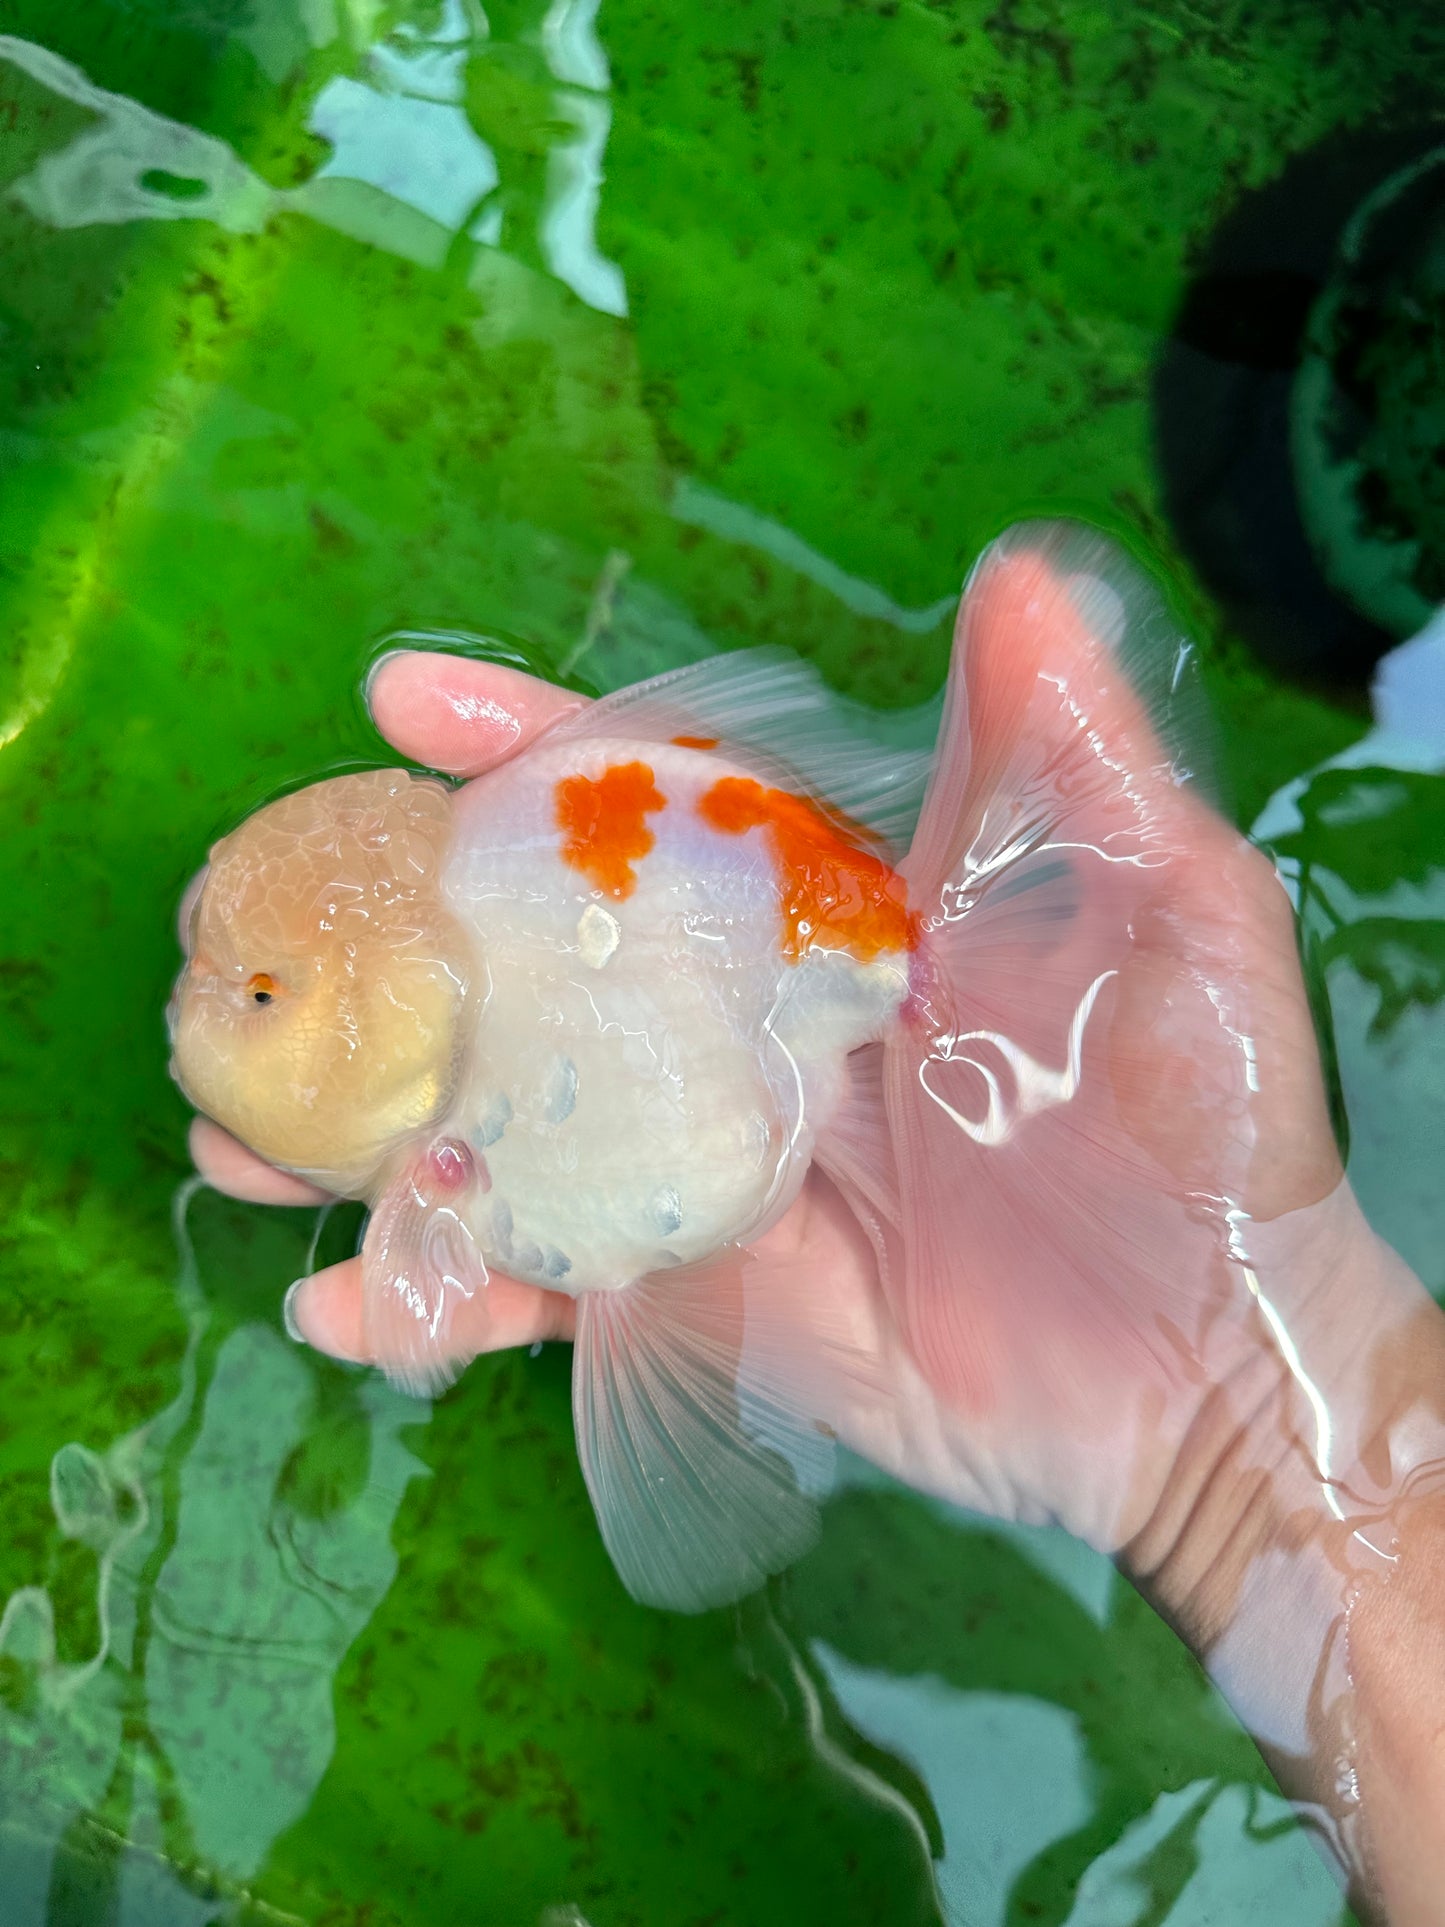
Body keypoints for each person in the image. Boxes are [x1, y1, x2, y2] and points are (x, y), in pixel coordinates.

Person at [189, 624, 1445, 1926]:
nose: (210, 1003)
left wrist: (1238, 1399)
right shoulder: (454, 1059)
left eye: (263, 996)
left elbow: (423, 1299)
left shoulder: (460, 1115)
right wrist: (1236, 1418)